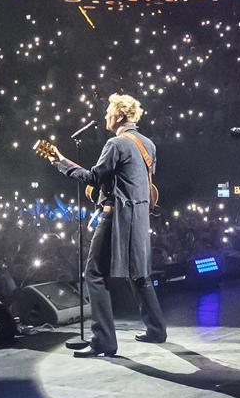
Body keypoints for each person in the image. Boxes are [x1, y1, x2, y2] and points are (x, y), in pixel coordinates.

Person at [43, 93, 168, 356]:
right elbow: (124, 183)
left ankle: (103, 341)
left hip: (117, 217)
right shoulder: (148, 144)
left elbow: (92, 177)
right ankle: (156, 329)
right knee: (141, 273)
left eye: (109, 111)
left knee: (94, 274)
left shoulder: (116, 144)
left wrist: (60, 162)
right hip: (140, 215)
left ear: (120, 115)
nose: (105, 116)